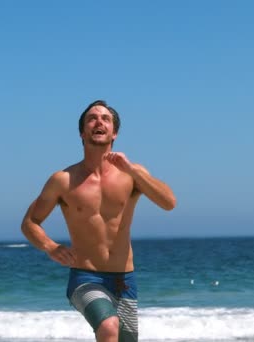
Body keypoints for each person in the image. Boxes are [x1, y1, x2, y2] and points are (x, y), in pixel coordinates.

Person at [21, 99, 176, 342]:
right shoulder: (63, 180)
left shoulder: (132, 174)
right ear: (82, 132)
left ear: (114, 132)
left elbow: (169, 202)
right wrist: (50, 246)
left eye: (106, 119)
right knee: (108, 326)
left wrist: (133, 170)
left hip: (124, 279)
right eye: (92, 118)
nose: (99, 122)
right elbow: (30, 222)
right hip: (86, 277)